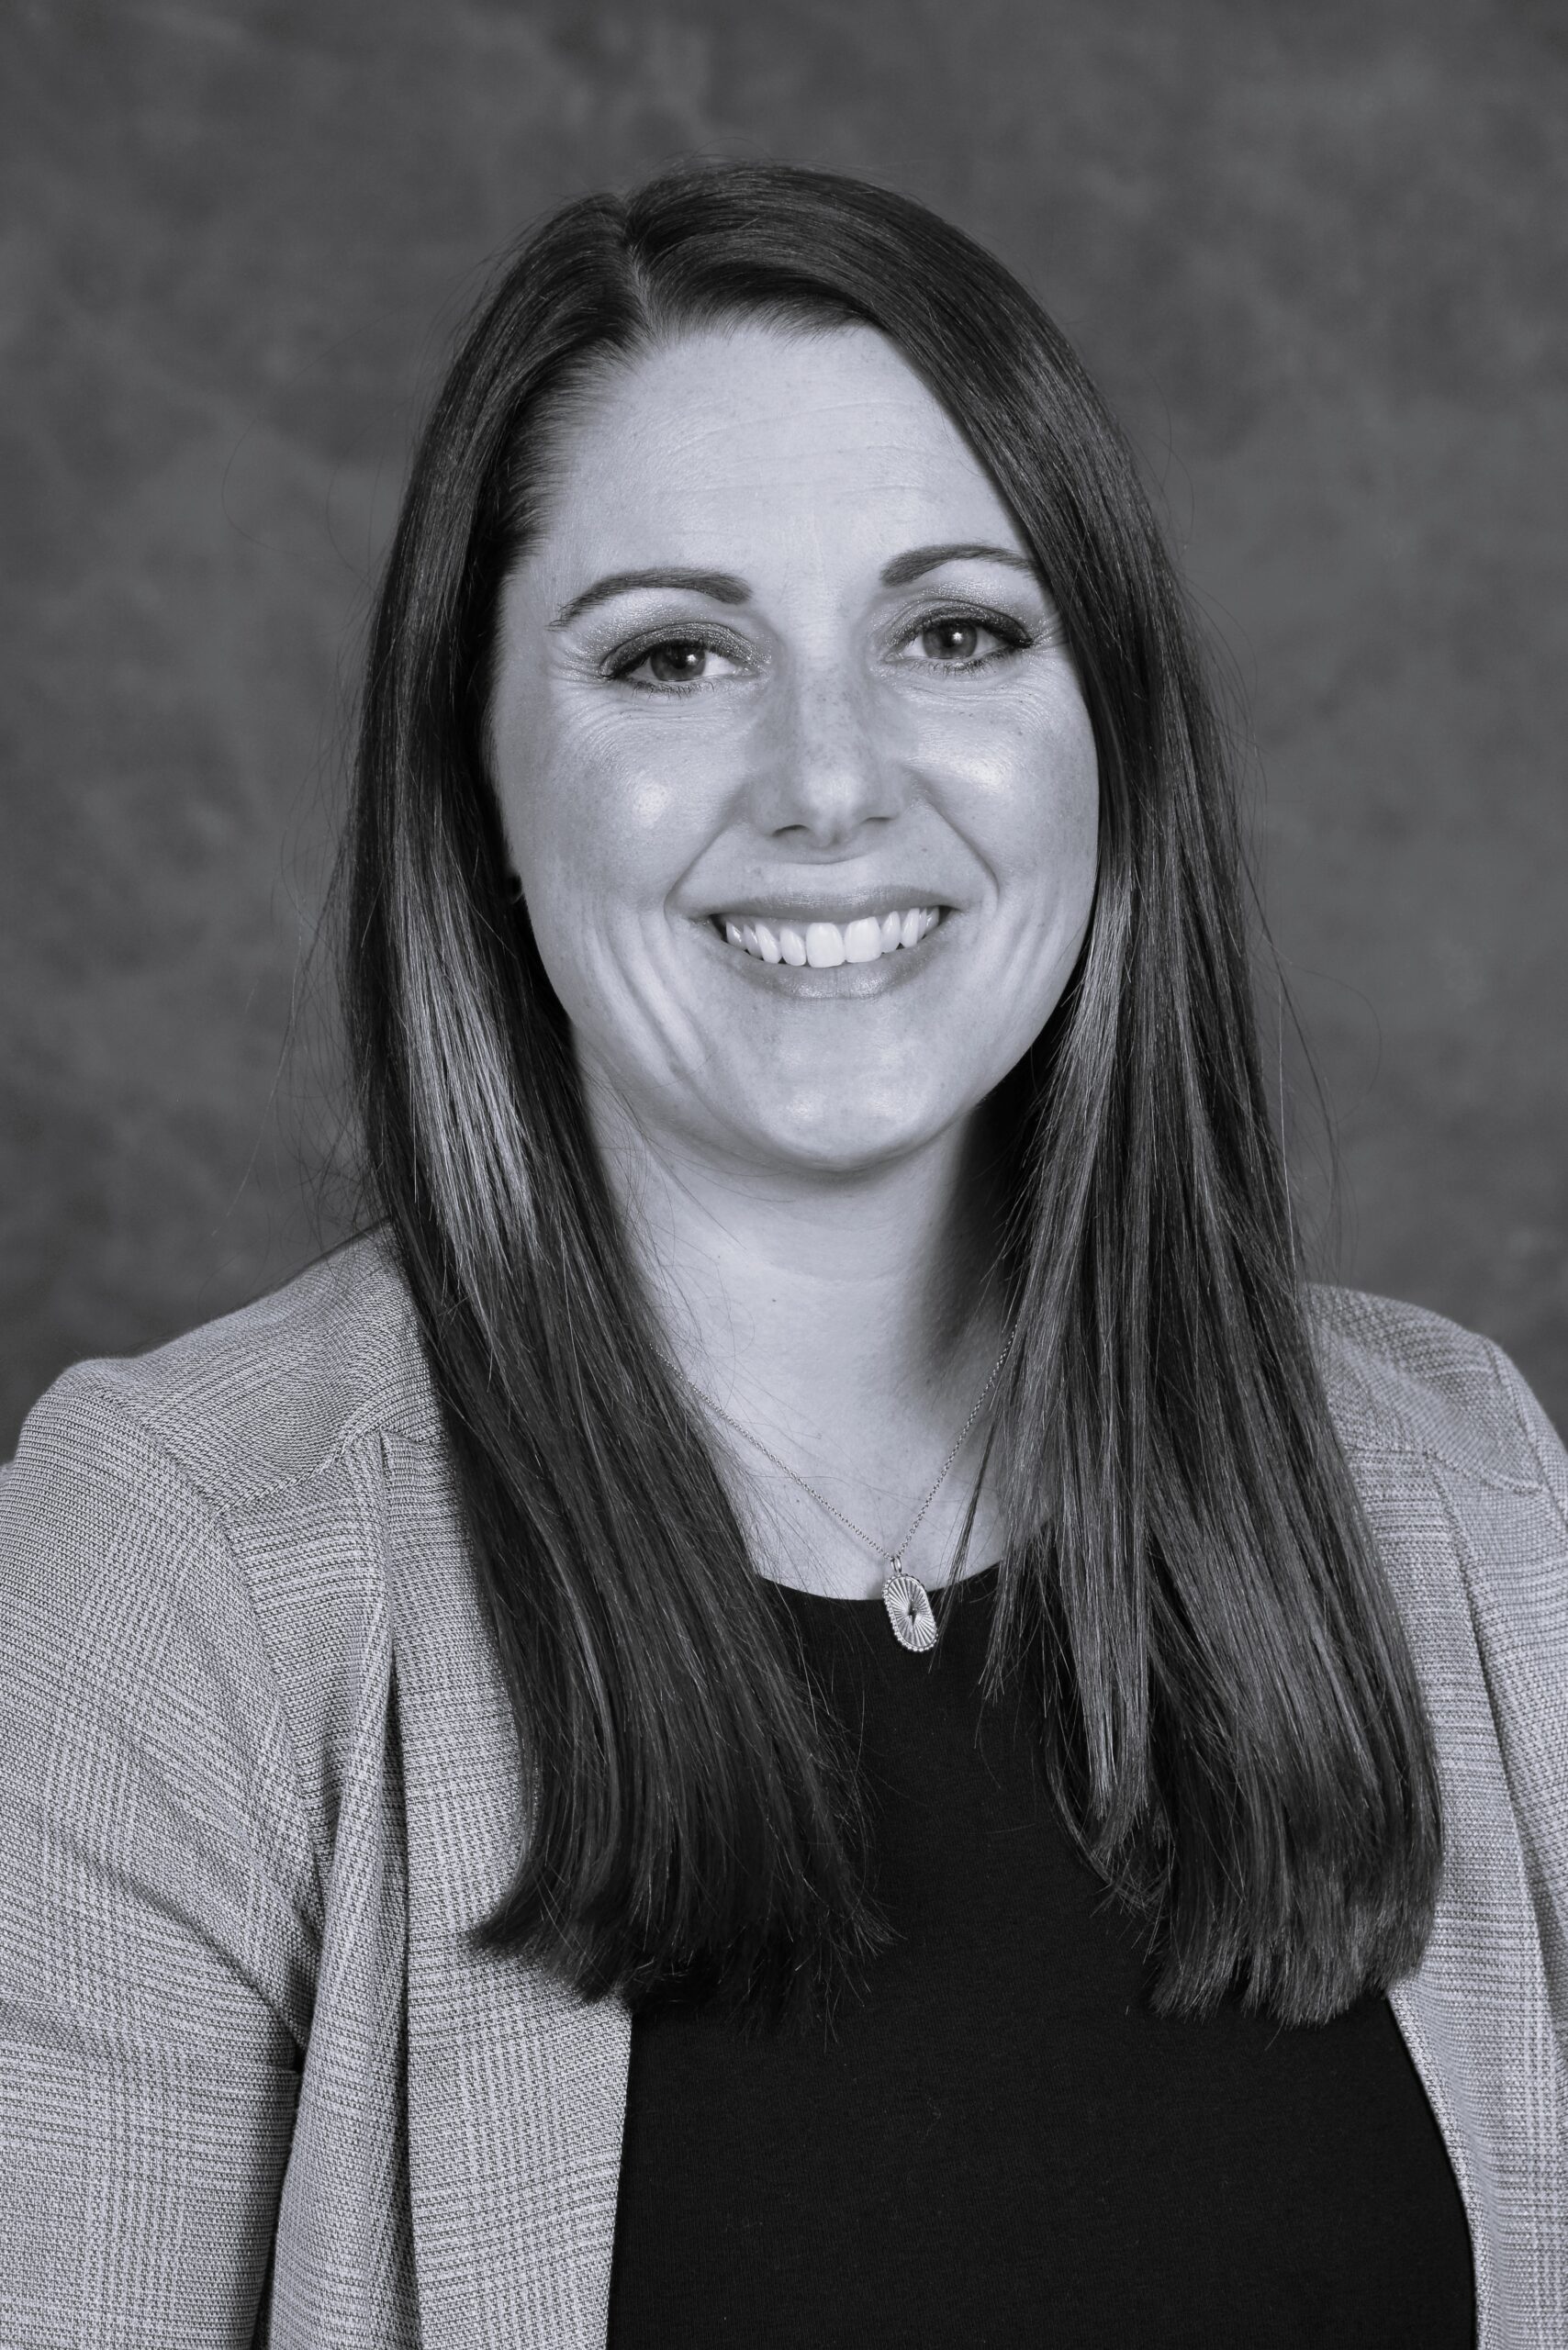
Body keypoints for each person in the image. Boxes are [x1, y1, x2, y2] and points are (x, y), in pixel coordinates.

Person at [1, 159, 1562, 2350]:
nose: (828, 781)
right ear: (480, 787)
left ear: (1104, 734)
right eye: (670, 655)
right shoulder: (179, 1568)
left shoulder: (1457, 1493)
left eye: (951, 631)